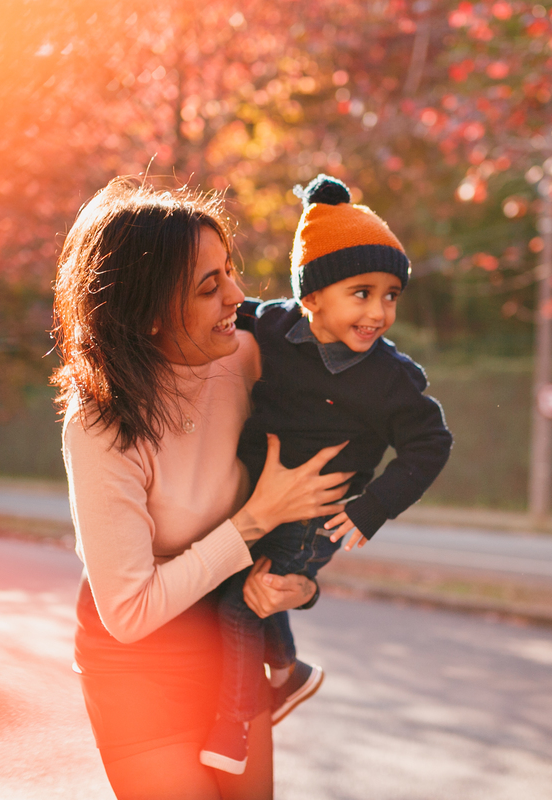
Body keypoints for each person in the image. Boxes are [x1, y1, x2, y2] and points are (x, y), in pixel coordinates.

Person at [53, 177, 355, 800]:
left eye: (230, 272)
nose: (238, 297)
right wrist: (249, 525)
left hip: (233, 642)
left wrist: (297, 579)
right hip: (137, 669)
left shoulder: (250, 359)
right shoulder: (99, 422)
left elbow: (324, 461)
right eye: (209, 286)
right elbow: (129, 613)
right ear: (150, 313)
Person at [199, 175, 453, 774]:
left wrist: (372, 508)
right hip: (262, 496)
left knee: (241, 603)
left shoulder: (389, 377)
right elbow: (229, 314)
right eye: (361, 293)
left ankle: (233, 723)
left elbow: (431, 441)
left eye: (391, 295)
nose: (379, 312)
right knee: (238, 583)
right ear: (311, 297)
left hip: (314, 516)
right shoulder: (270, 327)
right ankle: (287, 673)